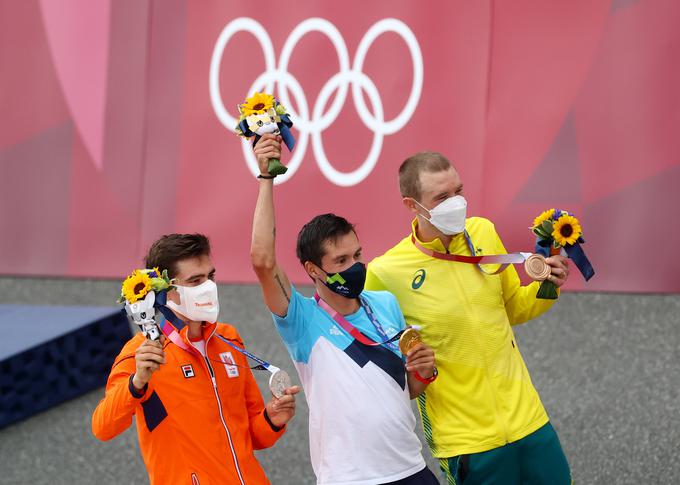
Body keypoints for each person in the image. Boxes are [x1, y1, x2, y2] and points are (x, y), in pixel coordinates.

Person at [365, 152, 572, 484]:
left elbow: (514, 308)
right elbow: (378, 364)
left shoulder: (483, 232)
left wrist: (547, 285)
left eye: (458, 191)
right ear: (412, 205)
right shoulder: (386, 273)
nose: (456, 203)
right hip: (467, 443)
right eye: (442, 197)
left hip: (530, 422)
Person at [250, 134, 440, 484]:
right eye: (340, 260)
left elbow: (404, 389)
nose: (354, 266)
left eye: (357, 255)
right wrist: (266, 179)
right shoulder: (301, 320)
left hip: (411, 469)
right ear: (313, 270)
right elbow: (262, 261)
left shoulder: (385, 305)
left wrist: (423, 372)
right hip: (348, 478)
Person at [92, 233, 299, 485]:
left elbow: (254, 437)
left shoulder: (228, 338)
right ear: (165, 291)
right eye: (195, 280)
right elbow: (102, 427)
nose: (209, 287)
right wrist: (137, 383)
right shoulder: (143, 353)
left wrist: (272, 419)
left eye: (210, 276)